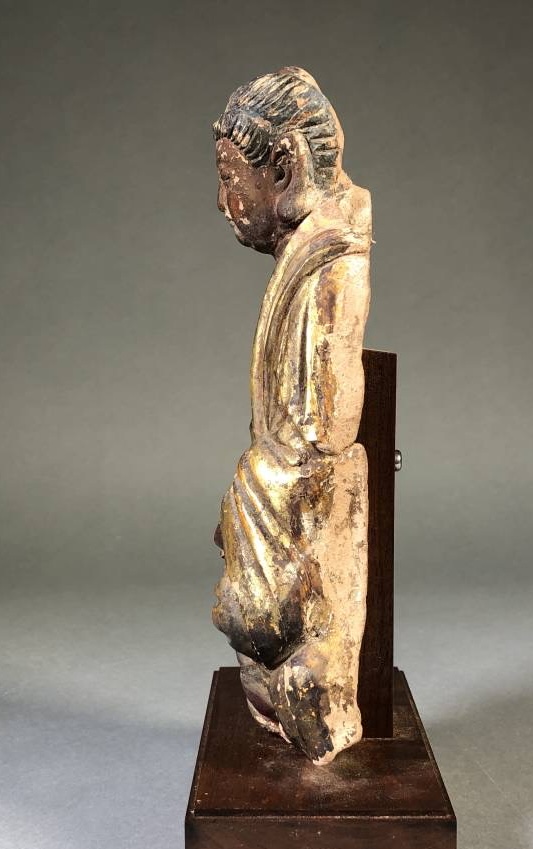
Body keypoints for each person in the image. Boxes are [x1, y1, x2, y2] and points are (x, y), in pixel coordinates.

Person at [212, 67, 372, 765]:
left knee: (303, 680)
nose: (222, 201)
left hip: (303, 532)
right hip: (289, 508)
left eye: (230, 177)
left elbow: (317, 441)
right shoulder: (309, 255)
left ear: (283, 167)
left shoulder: (330, 264)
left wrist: (248, 489)